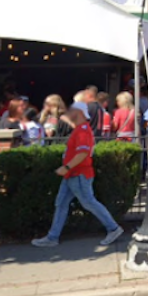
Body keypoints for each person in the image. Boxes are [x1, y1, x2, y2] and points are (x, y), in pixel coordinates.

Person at [31, 95, 124, 248]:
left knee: (87, 202)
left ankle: (113, 228)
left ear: (78, 113)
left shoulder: (82, 131)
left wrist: (65, 167)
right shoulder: (81, 129)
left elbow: (82, 154)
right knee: (62, 203)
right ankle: (52, 237)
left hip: (78, 174)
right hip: (73, 174)